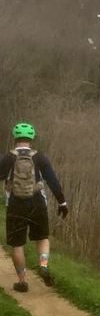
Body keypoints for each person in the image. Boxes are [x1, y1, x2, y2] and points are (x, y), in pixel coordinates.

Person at [0, 123, 68, 293]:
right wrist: (62, 202)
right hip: (37, 203)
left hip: (16, 204)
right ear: (31, 138)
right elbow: (52, 181)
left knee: (17, 244)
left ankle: (22, 281)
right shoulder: (40, 158)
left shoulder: (8, 158)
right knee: (42, 237)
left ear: (15, 138)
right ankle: (43, 265)